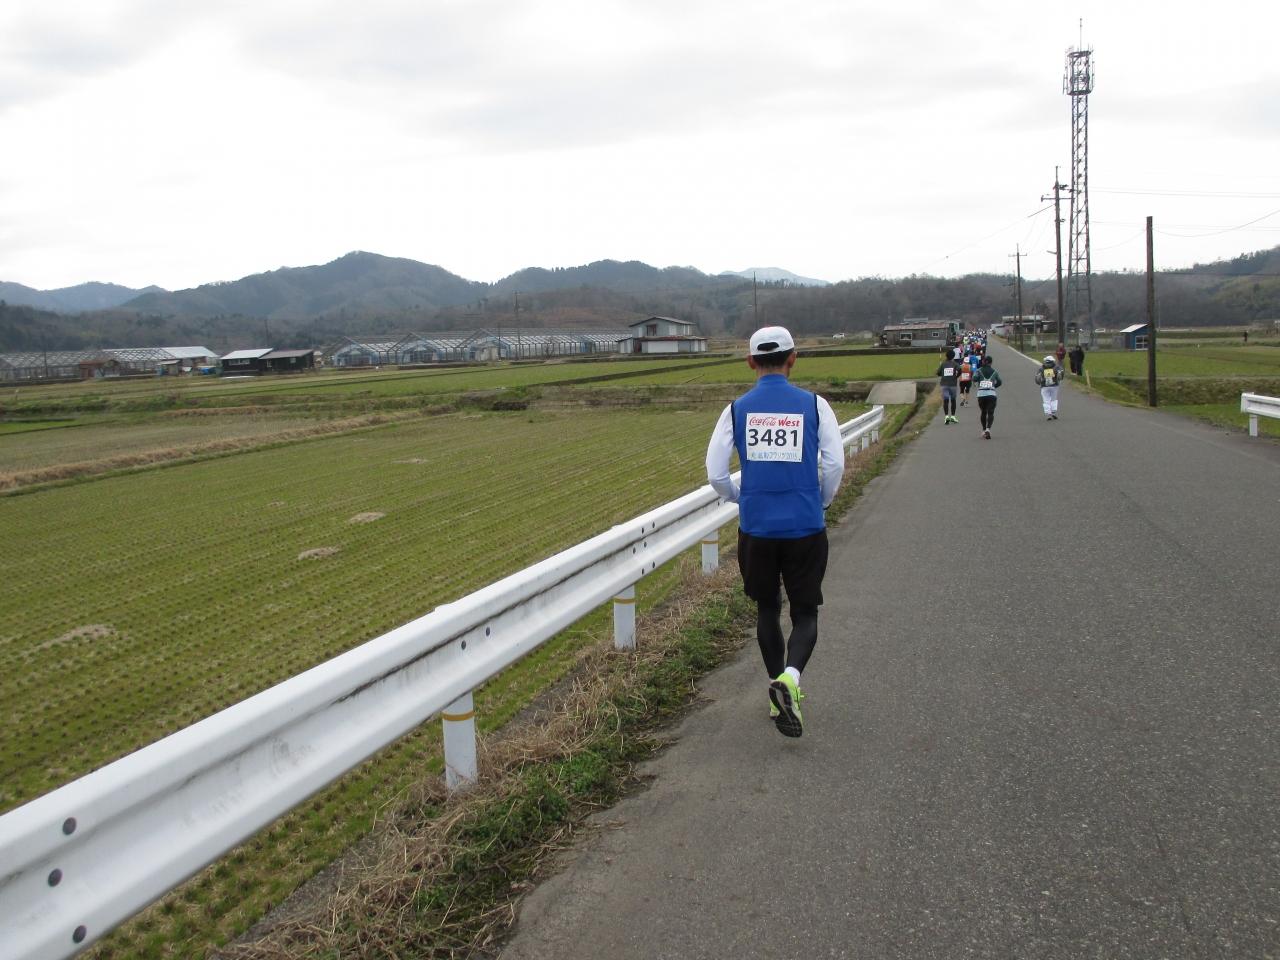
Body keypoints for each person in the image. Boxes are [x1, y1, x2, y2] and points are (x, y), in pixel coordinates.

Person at [705, 326, 844, 738]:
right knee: (805, 613)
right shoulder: (816, 405)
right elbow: (834, 464)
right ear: (793, 358)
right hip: (805, 526)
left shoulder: (735, 410)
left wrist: (740, 497)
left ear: (750, 362)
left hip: (757, 529)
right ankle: (790, 679)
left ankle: (775, 691)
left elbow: (715, 473)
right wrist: (821, 501)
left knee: (767, 608)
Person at [975, 355, 1002, 439]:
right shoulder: (995, 372)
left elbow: (974, 378)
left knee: (983, 412)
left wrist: (979, 380)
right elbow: (1000, 382)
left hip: (981, 395)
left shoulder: (979, 370)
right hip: (991, 394)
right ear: (991, 363)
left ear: (984, 362)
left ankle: (983, 430)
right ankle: (988, 429)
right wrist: (993, 386)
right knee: (991, 412)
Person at [1035, 354, 1062, 419]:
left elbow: (1037, 378)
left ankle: (1048, 413)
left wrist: (1039, 382)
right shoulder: (1056, 367)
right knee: (1053, 399)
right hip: (1054, 385)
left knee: (1046, 399)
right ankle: (1053, 411)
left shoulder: (1041, 368)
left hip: (1044, 386)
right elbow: (1061, 375)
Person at [936, 355, 960, 423]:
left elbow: (938, 373)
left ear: (946, 356)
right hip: (953, 384)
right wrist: (956, 376)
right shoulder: (955, 363)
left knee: (946, 400)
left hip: (944, 384)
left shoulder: (943, 364)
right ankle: (953, 416)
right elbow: (960, 370)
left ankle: (946, 416)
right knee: (953, 400)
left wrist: (942, 375)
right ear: (953, 356)